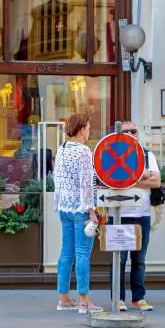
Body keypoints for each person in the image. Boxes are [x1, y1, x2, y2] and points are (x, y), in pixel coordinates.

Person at [53, 113, 101, 315]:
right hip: (81, 208)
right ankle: (84, 301)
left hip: (64, 207)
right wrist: (93, 211)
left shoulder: (62, 148)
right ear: (81, 129)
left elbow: (57, 179)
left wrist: (59, 203)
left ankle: (63, 298)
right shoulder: (83, 151)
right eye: (88, 127)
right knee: (82, 254)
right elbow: (86, 183)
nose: (89, 130)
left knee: (66, 253)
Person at [113, 121, 161, 312]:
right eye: (126, 132)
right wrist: (142, 176)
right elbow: (113, 180)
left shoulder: (147, 155)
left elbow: (156, 181)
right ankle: (118, 299)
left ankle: (138, 298)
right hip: (119, 214)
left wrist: (130, 178)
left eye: (134, 131)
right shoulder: (113, 155)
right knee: (120, 259)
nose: (131, 134)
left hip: (142, 214)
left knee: (139, 260)